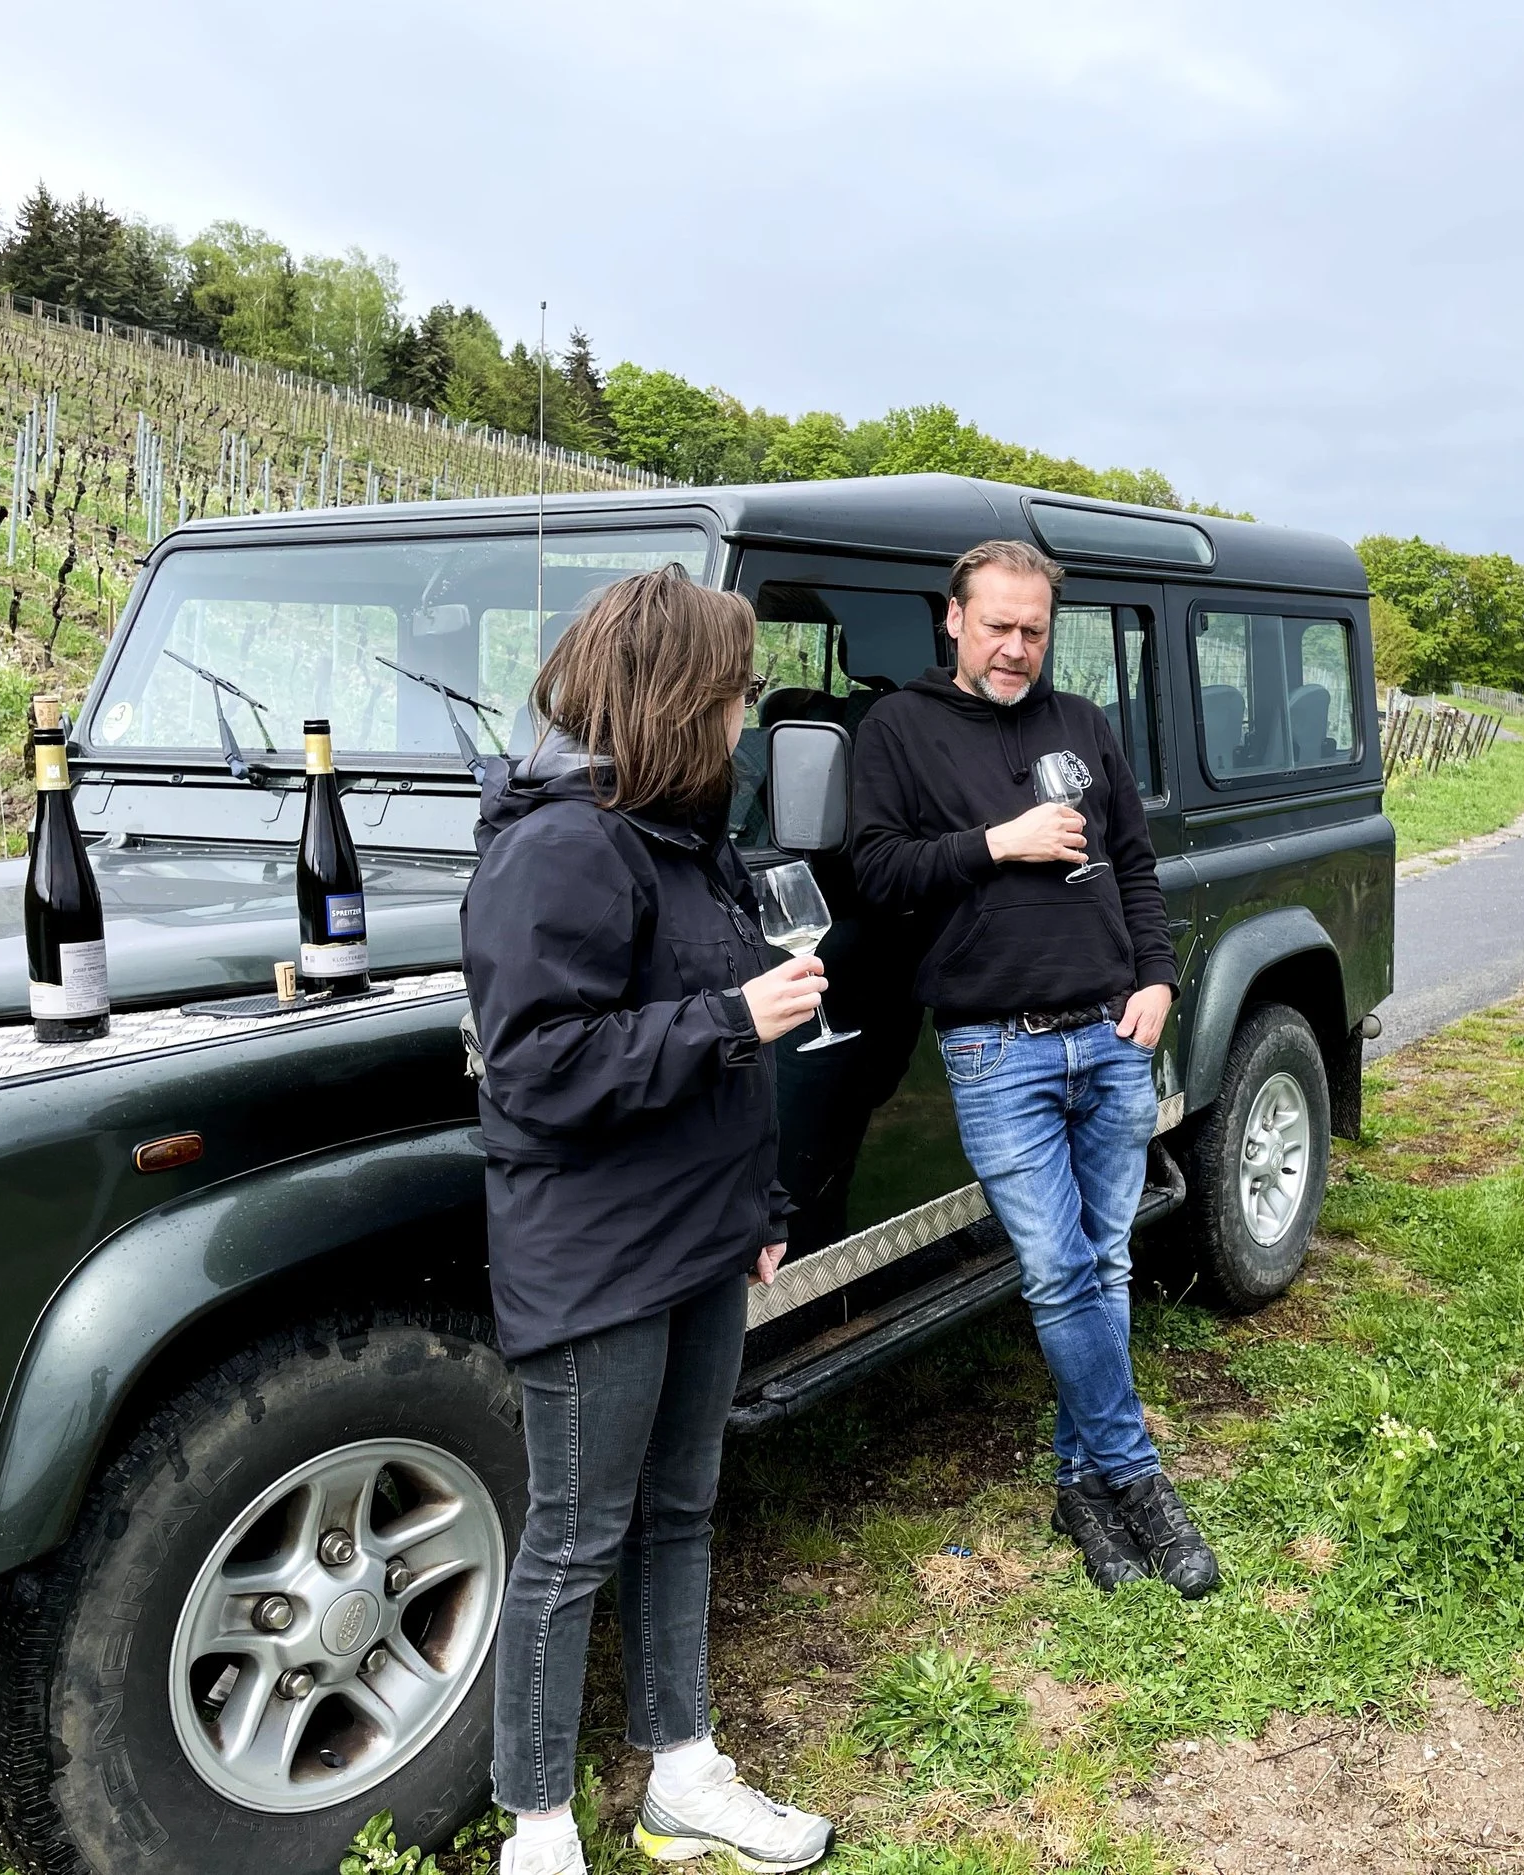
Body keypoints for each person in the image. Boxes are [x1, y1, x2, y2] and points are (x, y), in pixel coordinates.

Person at [463, 566, 836, 1875]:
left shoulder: (684, 837)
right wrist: (735, 1014)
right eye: (738, 688)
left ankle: (683, 1775)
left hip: (699, 1234)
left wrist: (762, 1205)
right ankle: (536, 1829)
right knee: (573, 1536)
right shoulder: (561, 848)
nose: (747, 714)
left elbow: (718, 1066)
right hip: (599, 1253)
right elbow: (537, 1068)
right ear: (682, 695)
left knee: (682, 1506)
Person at [848, 538, 1219, 1598]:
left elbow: (1135, 864)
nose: (1016, 648)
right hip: (993, 1046)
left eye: (1034, 630)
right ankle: (1137, 1476)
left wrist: (1158, 980)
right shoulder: (899, 728)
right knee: (1058, 1269)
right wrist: (996, 843)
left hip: (1110, 1031)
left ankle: (1079, 1486)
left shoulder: (1082, 723)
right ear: (953, 620)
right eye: (998, 626)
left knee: (1104, 1266)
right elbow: (874, 872)